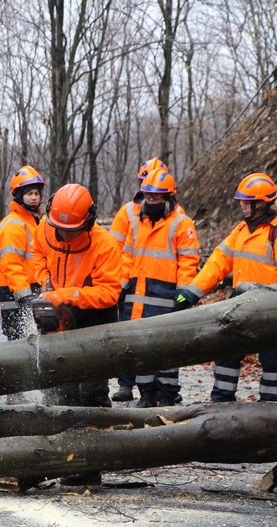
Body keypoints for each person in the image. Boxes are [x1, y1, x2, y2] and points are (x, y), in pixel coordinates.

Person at [182, 173, 277, 402]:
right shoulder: (241, 231)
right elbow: (218, 262)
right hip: (240, 307)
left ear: (262, 204)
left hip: (270, 312)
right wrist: (192, 292)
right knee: (226, 353)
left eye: (247, 203)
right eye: (241, 202)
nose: (242, 207)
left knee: (273, 361)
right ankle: (221, 403)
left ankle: (271, 410)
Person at [32, 183, 121, 487]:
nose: (64, 235)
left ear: (89, 220)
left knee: (91, 393)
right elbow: (38, 256)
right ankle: (62, 456)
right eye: (59, 229)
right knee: (59, 387)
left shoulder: (105, 245)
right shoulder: (46, 228)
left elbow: (109, 293)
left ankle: (92, 462)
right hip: (61, 310)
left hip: (94, 316)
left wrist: (66, 296)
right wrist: (45, 284)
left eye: (70, 230)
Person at [119, 168, 200, 407]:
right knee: (141, 347)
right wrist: (121, 288)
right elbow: (127, 257)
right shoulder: (136, 223)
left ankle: (167, 393)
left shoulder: (181, 224)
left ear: (168, 197)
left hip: (165, 295)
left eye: (156, 197)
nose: (151, 200)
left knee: (166, 348)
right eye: (148, 196)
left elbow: (188, 260)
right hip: (138, 295)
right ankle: (146, 393)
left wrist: (184, 292)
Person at [109, 157, 168, 402]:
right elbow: (113, 247)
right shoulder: (128, 211)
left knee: (158, 340)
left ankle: (159, 389)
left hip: (158, 286)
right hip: (131, 282)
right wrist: (116, 282)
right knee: (127, 336)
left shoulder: (173, 214)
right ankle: (126, 384)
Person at [0, 166, 45, 405]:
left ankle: (32, 387)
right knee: (16, 342)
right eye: (29, 193)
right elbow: (10, 264)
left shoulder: (37, 223)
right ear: (19, 195)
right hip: (15, 293)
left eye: (36, 192)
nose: (34, 197)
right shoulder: (12, 225)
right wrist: (24, 294)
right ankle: (13, 392)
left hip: (34, 290)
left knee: (36, 340)